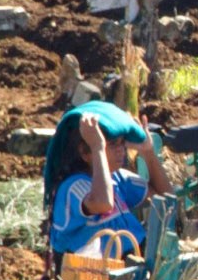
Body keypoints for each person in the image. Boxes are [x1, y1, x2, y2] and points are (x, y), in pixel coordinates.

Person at [42, 101, 173, 261]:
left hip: (133, 264)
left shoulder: (118, 178)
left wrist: (147, 152)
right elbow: (103, 203)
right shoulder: (74, 186)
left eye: (121, 143)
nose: (121, 150)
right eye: (111, 145)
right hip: (95, 276)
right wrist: (97, 147)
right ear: (85, 152)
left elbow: (166, 198)